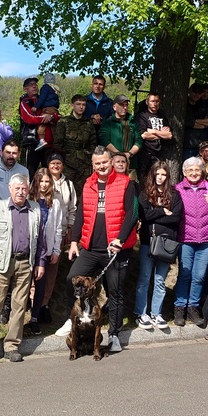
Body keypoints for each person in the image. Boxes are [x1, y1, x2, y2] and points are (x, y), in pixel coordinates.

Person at [67, 147, 139, 353]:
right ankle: (77, 318)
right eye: (97, 164)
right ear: (93, 165)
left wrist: (120, 239)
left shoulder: (126, 183)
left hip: (115, 249)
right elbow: (81, 212)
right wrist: (74, 241)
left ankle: (114, 334)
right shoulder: (88, 184)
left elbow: (132, 214)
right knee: (71, 278)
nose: (101, 167)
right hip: (90, 248)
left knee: (114, 292)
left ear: (111, 162)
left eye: (105, 163)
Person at [0, 174, 48, 364]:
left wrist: (41, 263)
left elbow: (41, 239)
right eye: (17, 188)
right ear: (10, 188)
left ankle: (11, 346)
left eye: (24, 188)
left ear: (28, 189)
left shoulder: (35, 209)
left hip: (25, 263)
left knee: (19, 307)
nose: (21, 192)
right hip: (1, 263)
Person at [134, 161, 182, 331]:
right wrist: (162, 211)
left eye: (163, 175)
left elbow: (175, 217)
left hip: (166, 242)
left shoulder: (175, 195)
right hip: (148, 241)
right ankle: (141, 312)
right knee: (144, 278)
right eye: (158, 174)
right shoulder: (145, 194)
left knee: (160, 280)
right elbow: (144, 215)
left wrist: (155, 214)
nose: (160, 178)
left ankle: (156, 313)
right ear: (152, 175)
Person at [173, 157, 208, 326]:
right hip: (186, 238)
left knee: (199, 276)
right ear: (184, 172)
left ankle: (193, 306)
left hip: (207, 239)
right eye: (190, 170)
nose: (193, 173)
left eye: (197, 170)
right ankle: (179, 307)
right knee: (185, 274)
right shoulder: (177, 189)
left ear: (202, 172)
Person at [27, 168, 65, 335]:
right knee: (24, 284)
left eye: (47, 182)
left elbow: (58, 228)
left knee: (41, 284)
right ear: (36, 182)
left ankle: (35, 318)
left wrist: (56, 250)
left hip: (46, 249)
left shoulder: (55, 203)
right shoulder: (28, 200)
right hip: (28, 249)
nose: (43, 185)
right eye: (40, 181)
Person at [42, 152, 77, 324]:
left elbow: (73, 208)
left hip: (61, 232)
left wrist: (70, 227)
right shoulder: (42, 181)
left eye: (59, 163)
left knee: (52, 270)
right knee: (37, 268)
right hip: (41, 232)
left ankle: (45, 304)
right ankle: (35, 303)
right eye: (52, 163)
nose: (56, 166)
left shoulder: (69, 184)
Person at [52, 93, 97, 186]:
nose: (81, 107)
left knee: (84, 189)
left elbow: (93, 142)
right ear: (72, 105)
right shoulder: (64, 121)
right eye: (78, 104)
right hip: (68, 162)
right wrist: (64, 157)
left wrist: (89, 156)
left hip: (84, 162)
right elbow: (57, 143)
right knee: (66, 189)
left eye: (83, 105)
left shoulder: (88, 123)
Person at [18, 77, 56, 174]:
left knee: (49, 173)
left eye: (35, 84)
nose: (34, 86)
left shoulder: (45, 100)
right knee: (30, 172)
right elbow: (29, 118)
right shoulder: (24, 102)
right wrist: (45, 118)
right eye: (31, 85)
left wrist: (51, 117)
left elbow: (57, 116)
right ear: (25, 89)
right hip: (32, 142)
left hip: (48, 144)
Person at [98, 94, 143, 175]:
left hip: (131, 164)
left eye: (126, 105)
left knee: (131, 186)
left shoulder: (133, 122)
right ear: (114, 107)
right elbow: (104, 140)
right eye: (122, 105)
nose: (125, 107)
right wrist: (119, 155)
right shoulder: (108, 123)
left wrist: (129, 154)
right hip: (113, 163)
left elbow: (138, 141)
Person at [135, 92, 174, 180]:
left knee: (157, 177)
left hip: (159, 153)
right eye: (152, 101)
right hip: (145, 153)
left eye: (157, 101)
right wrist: (161, 134)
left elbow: (169, 135)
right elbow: (144, 135)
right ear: (147, 102)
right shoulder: (142, 116)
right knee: (143, 179)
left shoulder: (162, 116)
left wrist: (153, 131)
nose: (154, 103)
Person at [183, 83, 208, 159]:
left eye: (199, 92)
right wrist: (204, 123)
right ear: (189, 91)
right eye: (195, 91)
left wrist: (195, 121)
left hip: (202, 143)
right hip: (188, 144)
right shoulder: (184, 105)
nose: (197, 94)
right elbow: (188, 122)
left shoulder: (203, 106)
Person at [33, 73, 61, 150]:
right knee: (53, 126)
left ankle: (41, 140)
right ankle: (56, 143)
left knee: (42, 123)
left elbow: (42, 98)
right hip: (55, 109)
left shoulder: (45, 88)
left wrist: (36, 106)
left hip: (47, 108)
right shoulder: (55, 88)